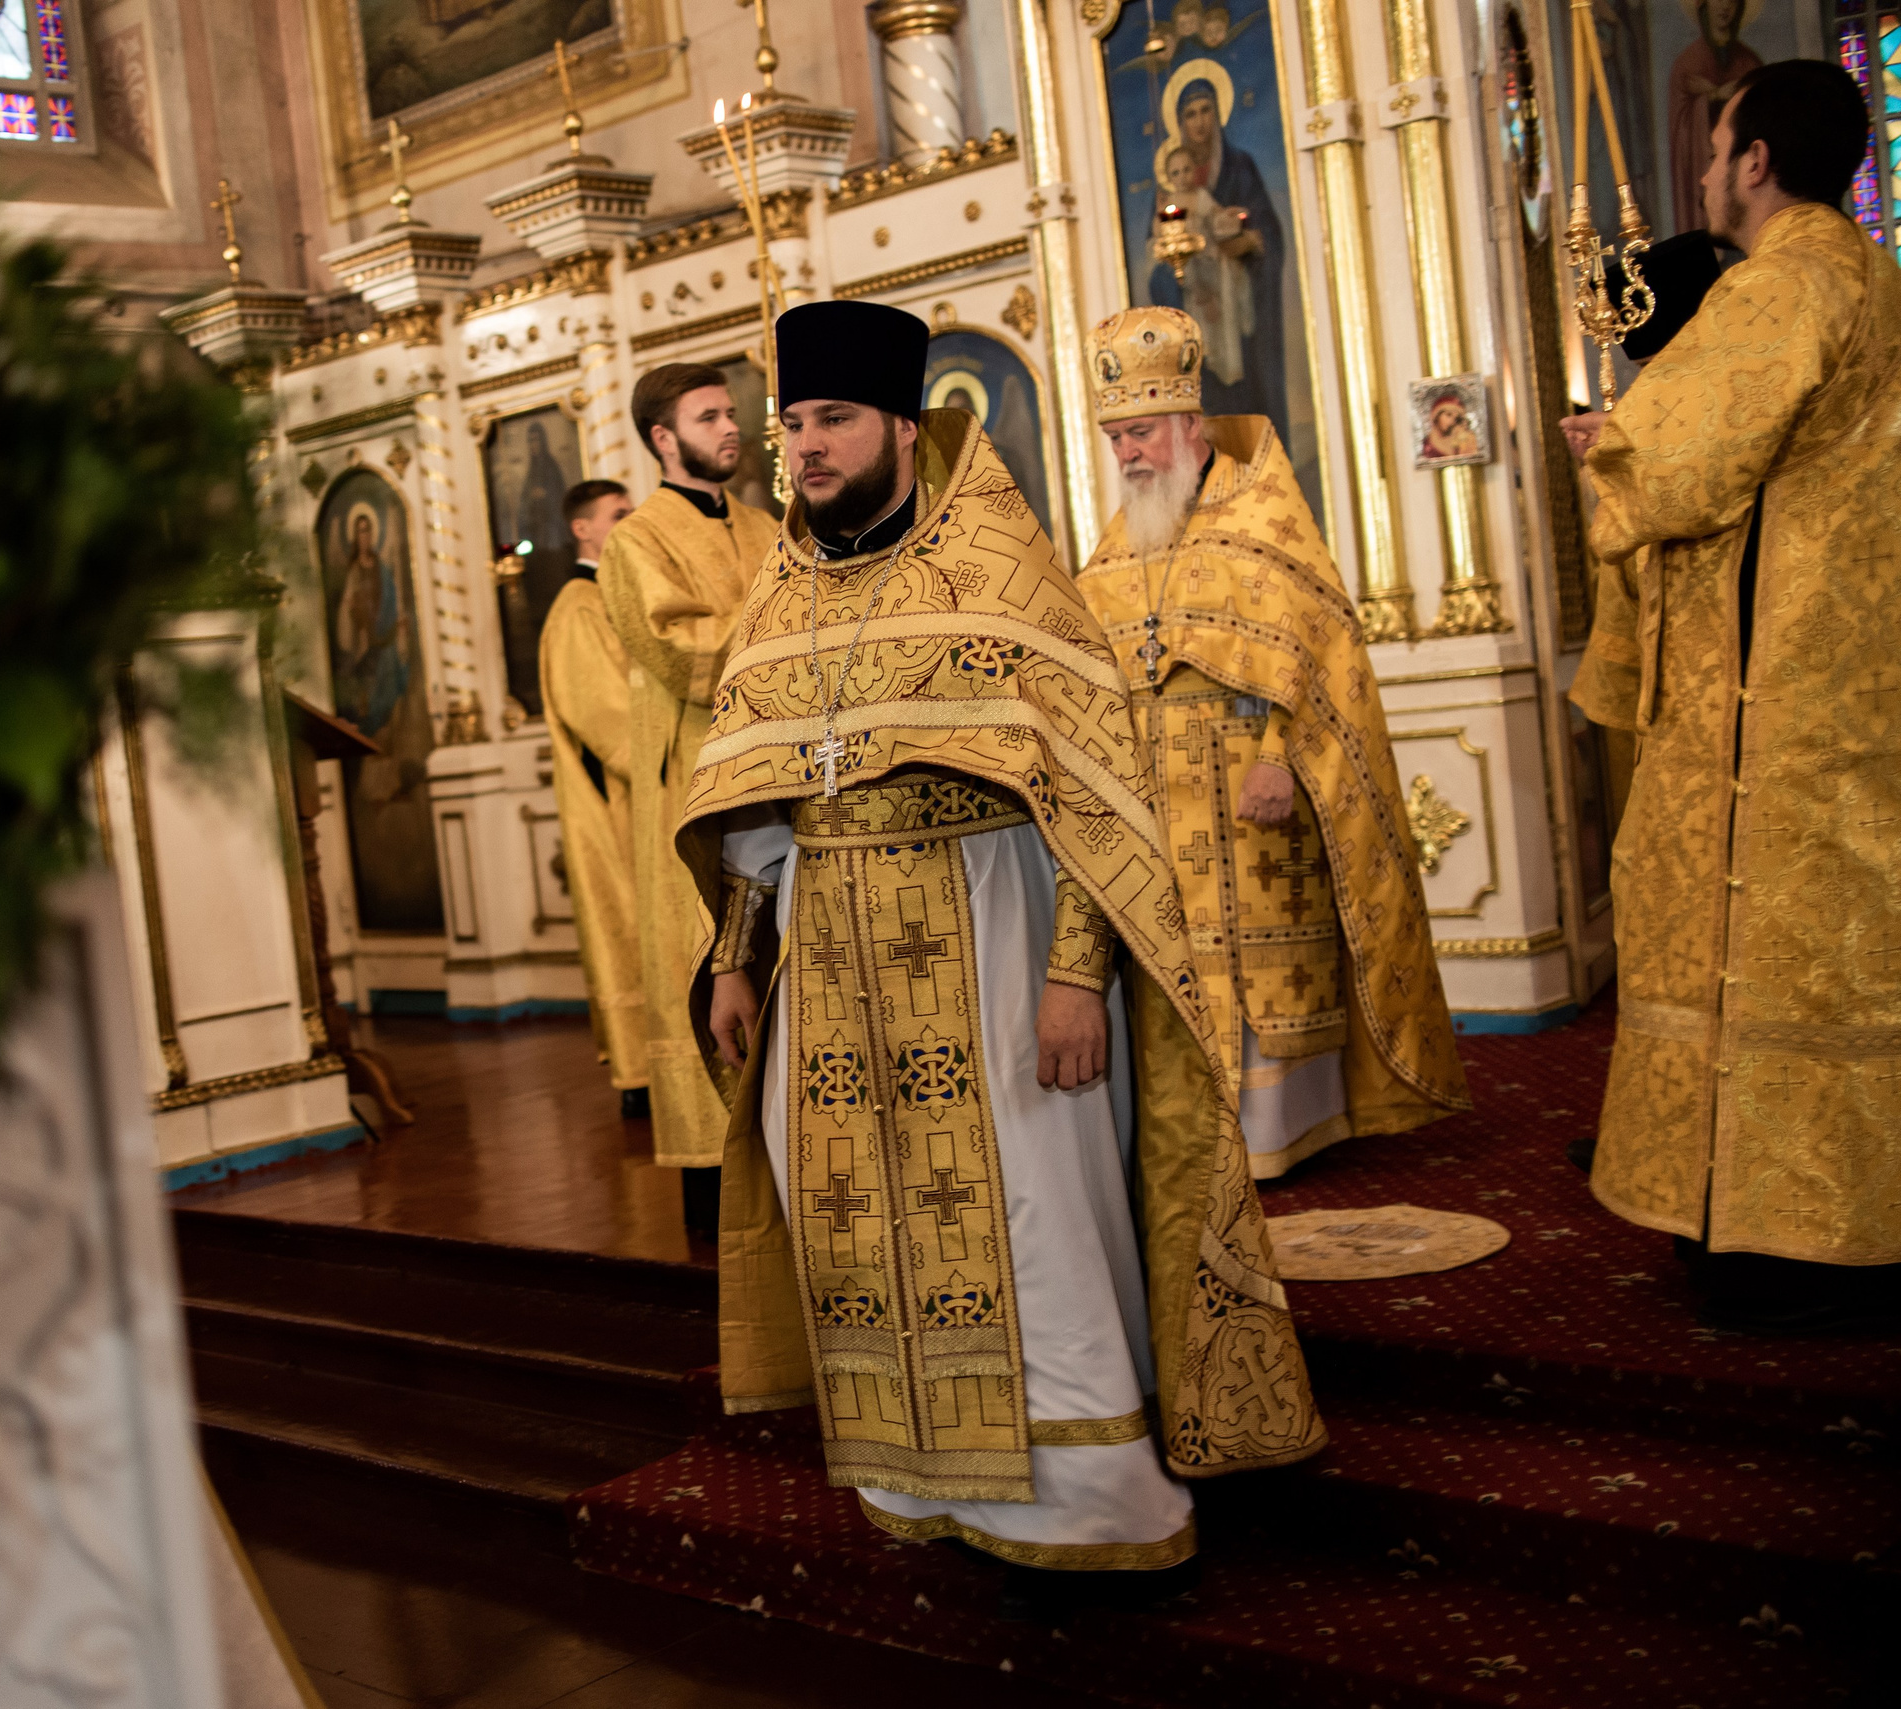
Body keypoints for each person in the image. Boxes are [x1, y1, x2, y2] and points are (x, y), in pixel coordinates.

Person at [687, 300, 1322, 1609]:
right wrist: (742, 957)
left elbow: (1100, 791)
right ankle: (921, 1480)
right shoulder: (778, 586)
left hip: (993, 933)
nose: (805, 447)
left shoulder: (1003, 568)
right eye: (794, 421)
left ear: (902, 431)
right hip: (832, 960)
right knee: (853, 1225)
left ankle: (1090, 1500)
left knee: (1033, 1218)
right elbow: (750, 806)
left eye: (834, 421)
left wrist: (1078, 969)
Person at [1562, 61, 1900, 1333]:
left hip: (1770, 704)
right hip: (1856, 684)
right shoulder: (1875, 277)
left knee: (1754, 948)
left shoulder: (1780, 285)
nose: (1705, 168)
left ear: (1755, 160)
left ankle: (1767, 1236)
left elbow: (1684, 471)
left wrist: (1612, 450)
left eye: (1714, 147)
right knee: (1854, 948)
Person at [1073, 307, 1469, 1178]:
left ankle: (1288, 1132)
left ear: (1187, 423)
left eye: (1139, 433)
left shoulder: (1264, 515)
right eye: (1114, 439)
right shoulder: (1121, 535)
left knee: (1266, 971)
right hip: (1160, 801)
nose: (1127, 454)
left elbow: (1320, 652)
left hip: (1253, 790)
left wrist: (1282, 756)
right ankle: (1204, 1132)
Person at [599, 364, 780, 1234]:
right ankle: (718, 1226)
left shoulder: (767, 525)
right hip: (696, 791)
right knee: (710, 968)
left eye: (731, 413)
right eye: (709, 416)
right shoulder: (637, 541)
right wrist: (785, 640)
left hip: (777, 781)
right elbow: (678, 648)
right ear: (664, 438)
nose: (730, 427)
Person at [537, 479, 651, 1120]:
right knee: (631, 925)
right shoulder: (580, 605)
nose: (630, 523)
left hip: (638, 798)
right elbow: (607, 716)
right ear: (583, 529)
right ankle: (642, 1068)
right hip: (619, 806)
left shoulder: (614, 592)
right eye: (619, 515)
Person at [1147, 77, 1286, 441]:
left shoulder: (1239, 168)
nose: (1199, 121)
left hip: (1235, 294)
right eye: (1190, 114)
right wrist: (1182, 283)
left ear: (1218, 113)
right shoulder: (1168, 197)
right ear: (1179, 123)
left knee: (1241, 378)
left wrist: (1247, 241)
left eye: (1206, 110)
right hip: (1194, 302)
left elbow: (1263, 232)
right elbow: (1159, 252)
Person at [1666, 0, 1760, 241]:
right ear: (1703, 7)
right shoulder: (1687, 64)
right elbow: (1681, 130)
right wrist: (1712, 98)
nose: (1725, 7)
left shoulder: (1749, 63)